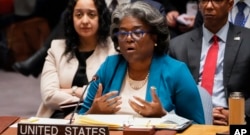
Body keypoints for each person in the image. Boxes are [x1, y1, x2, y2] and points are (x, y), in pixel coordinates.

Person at [77, 1, 205, 124]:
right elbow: (79, 120)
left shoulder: (176, 71)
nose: (128, 38)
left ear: (155, 36)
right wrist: (93, 112)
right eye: (122, 33)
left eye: (137, 32)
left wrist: (164, 116)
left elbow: (198, 128)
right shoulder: (109, 66)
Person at [12, 0, 166, 78]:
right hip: (93, 39)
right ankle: (40, 57)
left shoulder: (144, 5)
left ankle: (37, 59)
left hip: (117, 46)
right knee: (73, 12)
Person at [168, 0, 250, 125]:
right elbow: (169, 92)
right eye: (204, 1)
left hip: (236, 120)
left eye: (216, 1)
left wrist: (236, 113)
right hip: (190, 122)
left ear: (230, 4)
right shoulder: (177, 45)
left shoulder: (247, 41)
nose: (209, 6)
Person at [36, 0, 116, 118]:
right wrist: (87, 96)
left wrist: (70, 91)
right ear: (71, 18)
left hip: (97, 119)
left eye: (91, 14)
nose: (84, 21)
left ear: (101, 18)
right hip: (56, 118)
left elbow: (109, 95)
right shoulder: (57, 48)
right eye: (78, 15)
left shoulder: (113, 50)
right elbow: (48, 95)